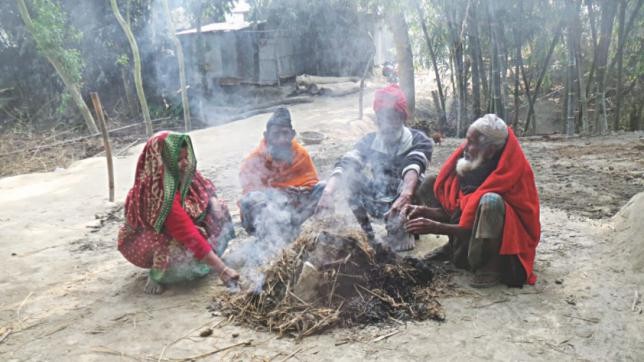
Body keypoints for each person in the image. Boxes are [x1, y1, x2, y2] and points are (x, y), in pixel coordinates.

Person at [403, 114, 541, 288]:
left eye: (472, 142)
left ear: (490, 149)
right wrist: (424, 212)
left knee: (490, 201)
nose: (465, 147)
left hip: (504, 246)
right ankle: (453, 247)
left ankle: (491, 266)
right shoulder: (473, 162)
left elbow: (479, 219)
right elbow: (460, 209)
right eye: (466, 140)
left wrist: (435, 227)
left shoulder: (512, 170)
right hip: (470, 232)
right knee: (430, 182)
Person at [117, 131, 239, 294]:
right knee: (180, 244)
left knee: (220, 208)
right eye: (178, 160)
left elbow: (204, 185)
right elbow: (186, 232)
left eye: (185, 158)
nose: (184, 163)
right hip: (149, 240)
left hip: (182, 229)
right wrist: (222, 270)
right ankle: (159, 274)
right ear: (162, 162)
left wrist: (213, 201)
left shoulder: (181, 172)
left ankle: (208, 259)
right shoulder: (158, 191)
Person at [317, 84, 433, 251]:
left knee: (420, 182)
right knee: (351, 178)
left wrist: (406, 194)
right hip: (378, 199)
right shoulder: (370, 140)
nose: (387, 123)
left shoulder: (419, 140)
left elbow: (414, 165)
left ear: (402, 117)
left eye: (392, 117)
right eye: (383, 117)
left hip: (404, 201)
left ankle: (405, 229)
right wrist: (327, 193)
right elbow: (347, 162)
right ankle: (369, 235)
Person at [239, 107, 324, 239]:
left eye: (285, 134)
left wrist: (298, 191)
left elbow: (311, 184)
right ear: (266, 136)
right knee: (251, 200)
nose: (281, 139)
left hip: (295, 212)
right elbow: (250, 193)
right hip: (266, 217)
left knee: (324, 189)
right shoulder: (254, 159)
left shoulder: (301, 154)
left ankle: (313, 233)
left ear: (292, 134)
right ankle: (269, 240)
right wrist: (277, 194)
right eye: (276, 134)